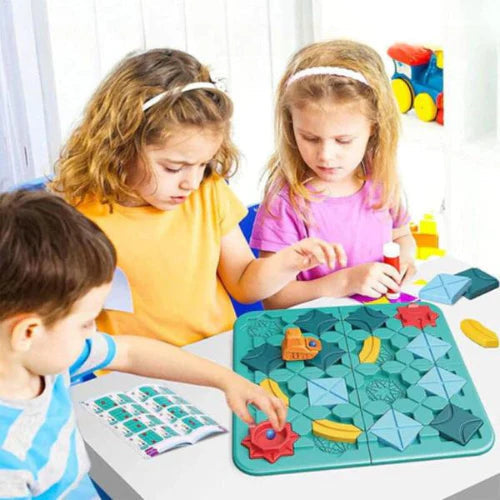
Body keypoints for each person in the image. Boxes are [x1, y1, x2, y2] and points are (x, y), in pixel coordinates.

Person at [0, 190, 287, 499]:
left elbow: (130, 352)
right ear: (27, 332)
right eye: (86, 322)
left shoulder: (43, 357)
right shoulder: (8, 465)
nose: (93, 331)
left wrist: (226, 380)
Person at [50, 48, 344, 346]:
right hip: (131, 367)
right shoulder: (77, 217)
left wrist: (289, 262)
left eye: (203, 164)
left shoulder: (208, 191)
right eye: (173, 167)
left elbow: (243, 282)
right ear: (121, 146)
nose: (191, 182)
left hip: (215, 352)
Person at [250, 40, 416, 308]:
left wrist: (405, 259)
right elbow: (274, 299)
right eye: (310, 138)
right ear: (291, 126)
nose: (326, 155)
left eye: (343, 140)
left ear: (374, 128)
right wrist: (343, 283)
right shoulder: (285, 201)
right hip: (316, 326)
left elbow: (401, 235)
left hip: (377, 315)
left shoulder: (379, 176)